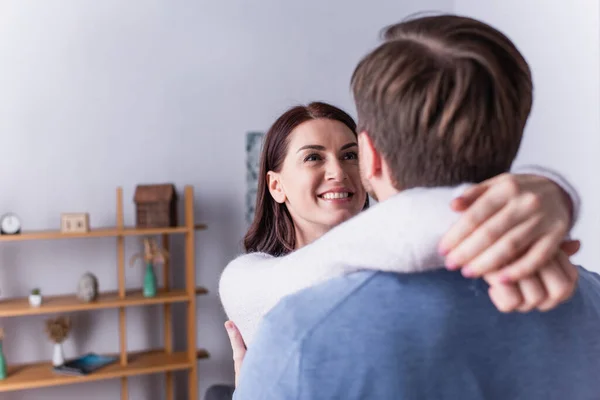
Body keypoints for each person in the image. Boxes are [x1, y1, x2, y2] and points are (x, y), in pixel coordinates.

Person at [229, 14, 600, 399]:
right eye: (313, 158)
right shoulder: (589, 298)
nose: (337, 172)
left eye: (349, 153)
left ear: (368, 156)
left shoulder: (299, 335)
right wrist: (556, 193)